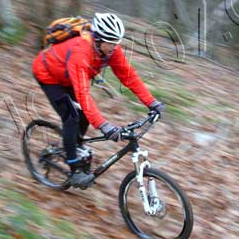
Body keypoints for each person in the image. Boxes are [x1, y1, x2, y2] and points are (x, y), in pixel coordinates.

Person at [32, 13, 165, 188]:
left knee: (84, 116)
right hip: (48, 76)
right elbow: (83, 94)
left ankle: (73, 145)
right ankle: (74, 171)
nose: (114, 47)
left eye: (116, 42)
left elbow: (128, 76)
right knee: (71, 117)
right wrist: (104, 125)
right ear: (97, 39)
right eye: (110, 42)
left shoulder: (112, 51)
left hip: (68, 77)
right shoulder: (81, 52)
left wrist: (151, 102)